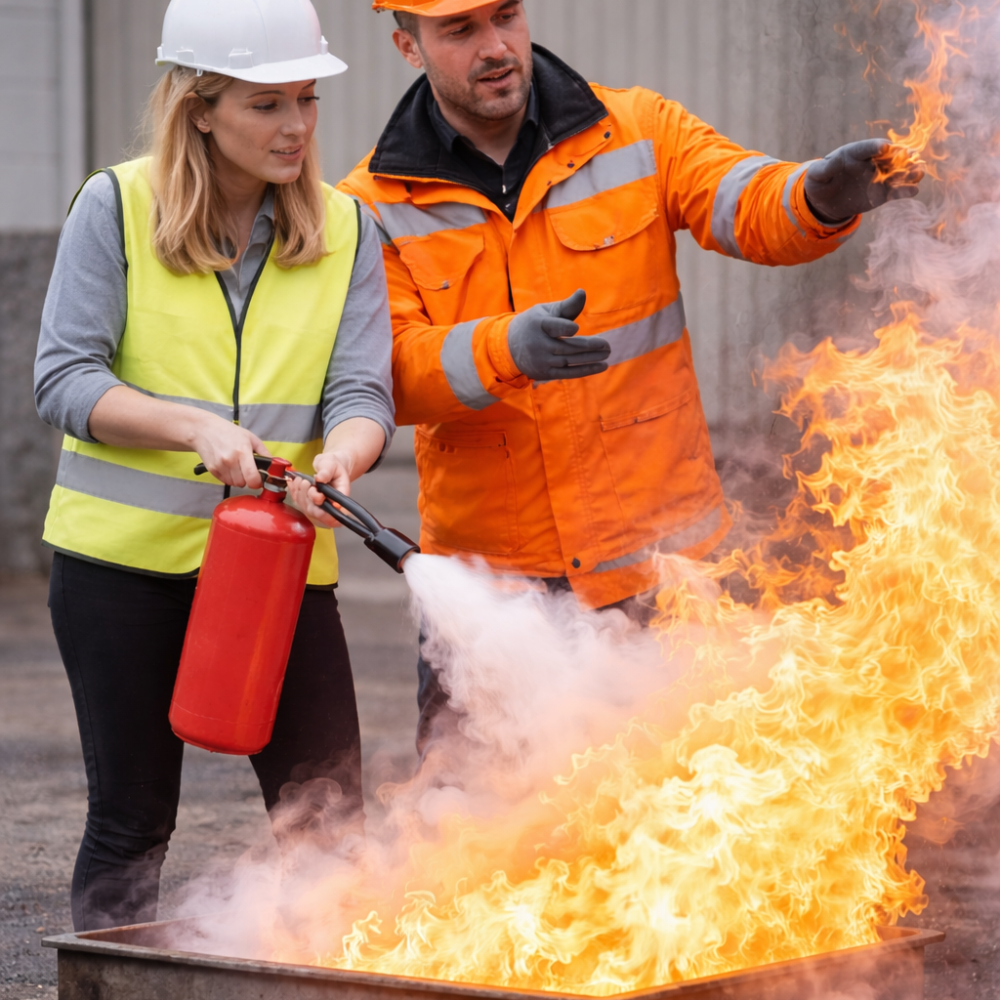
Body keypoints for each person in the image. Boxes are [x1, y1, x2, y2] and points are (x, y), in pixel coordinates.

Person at [331, 0, 923, 748]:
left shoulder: (638, 130)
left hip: (662, 574)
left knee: (683, 818)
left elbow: (740, 197)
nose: (496, 46)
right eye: (460, 30)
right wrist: (502, 350)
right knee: (473, 835)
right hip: (494, 595)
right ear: (407, 46)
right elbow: (385, 376)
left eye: (505, 16)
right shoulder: (374, 207)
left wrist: (814, 197)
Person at [34, 0, 395, 931]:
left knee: (331, 829)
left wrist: (348, 458)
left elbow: (361, 392)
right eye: (266, 106)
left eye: (307, 102)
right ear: (199, 106)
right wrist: (192, 429)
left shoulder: (348, 229)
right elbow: (65, 380)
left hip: (279, 571)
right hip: (121, 570)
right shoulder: (114, 206)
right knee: (132, 823)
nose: (297, 129)